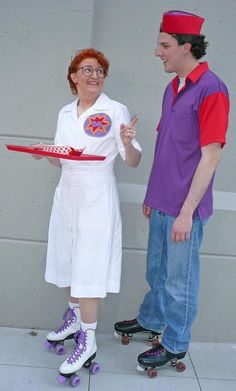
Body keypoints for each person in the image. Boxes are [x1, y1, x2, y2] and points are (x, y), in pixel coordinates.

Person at [114, 10, 229, 372]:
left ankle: (176, 343)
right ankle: (152, 320)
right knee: (157, 271)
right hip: (162, 201)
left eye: (164, 45)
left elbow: (210, 158)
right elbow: (168, 147)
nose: (157, 52)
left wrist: (185, 212)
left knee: (180, 281)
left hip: (185, 209)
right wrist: (152, 195)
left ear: (187, 47)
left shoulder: (213, 90)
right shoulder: (173, 88)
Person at [33, 48, 141, 381]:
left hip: (96, 194)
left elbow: (132, 160)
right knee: (67, 260)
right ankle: (76, 320)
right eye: (88, 70)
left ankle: (89, 341)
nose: (95, 75)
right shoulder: (66, 112)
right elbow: (62, 156)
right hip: (67, 192)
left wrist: (128, 141)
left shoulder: (114, 109)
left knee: (89, 266)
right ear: (74, 76)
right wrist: (45, 154)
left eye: (100, 71)